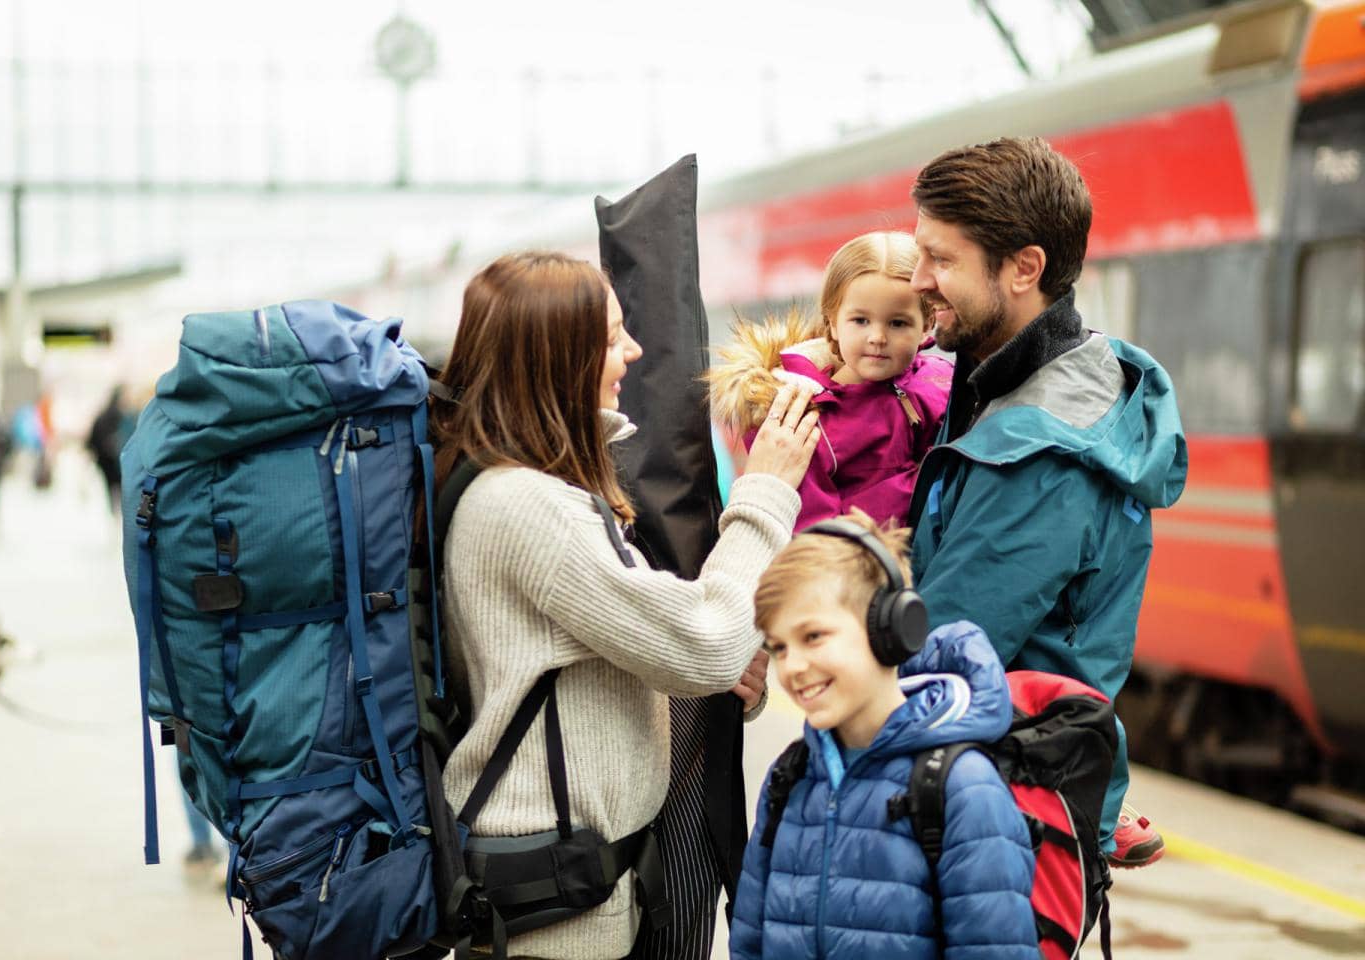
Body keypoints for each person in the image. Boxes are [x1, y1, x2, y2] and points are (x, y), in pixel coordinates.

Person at [432, 251, 820, 959]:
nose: (633, 352)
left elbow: (592, 661)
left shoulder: (522, 483)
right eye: (613, 337)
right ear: (559, 356)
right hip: (557, 915)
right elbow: (702, 642)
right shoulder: (529, 505)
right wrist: (766, 492)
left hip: (573, 890)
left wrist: (712, 673)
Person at [906, 136, 1188, 868]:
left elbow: (943, 654)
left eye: (941, 259)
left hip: (1005, 826)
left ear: (1024, 268)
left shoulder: (1036, 453)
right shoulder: (1018, 380)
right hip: (1009, 792)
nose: (916, 279)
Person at [730, 509, 1037, 960]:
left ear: (890, 630)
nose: (792, 666)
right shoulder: (790, 777)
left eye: (813, 636)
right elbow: (750, 944)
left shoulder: (962, 788)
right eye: (779, 647)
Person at [708, 231, 952, 532]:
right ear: (833, 322)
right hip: (862, 564)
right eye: (861, 321)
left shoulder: (942, 382)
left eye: (897, 323)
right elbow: (811, 525)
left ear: (927, 325)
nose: (877, 337)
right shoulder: (803, 415)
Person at [86, 386, 129, 513]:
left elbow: (92, 438)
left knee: (110, 486)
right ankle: (120, 510)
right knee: (122, 486)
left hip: (104, 458)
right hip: (117, 458)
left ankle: (113, 510)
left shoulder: (101, 414)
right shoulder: (120, 415)